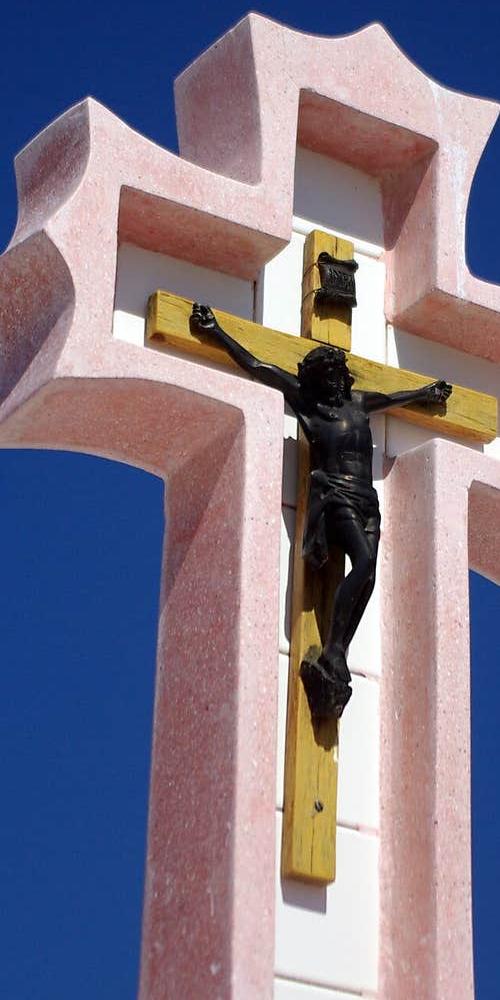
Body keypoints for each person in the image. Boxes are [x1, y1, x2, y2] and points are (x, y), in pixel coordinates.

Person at [189, 304, 451, 718]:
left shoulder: (359, 404)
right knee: (363, 563)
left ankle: (336, 653)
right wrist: (216, 331)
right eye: (327, 374)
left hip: (367, 500)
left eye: (337, 374)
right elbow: (258, 366)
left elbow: (396, 398)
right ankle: (332, 650)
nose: (334, 380)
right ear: (316, 377)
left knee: (370, 575)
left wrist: (425, 394)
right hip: (337, 497)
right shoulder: (308, 406)